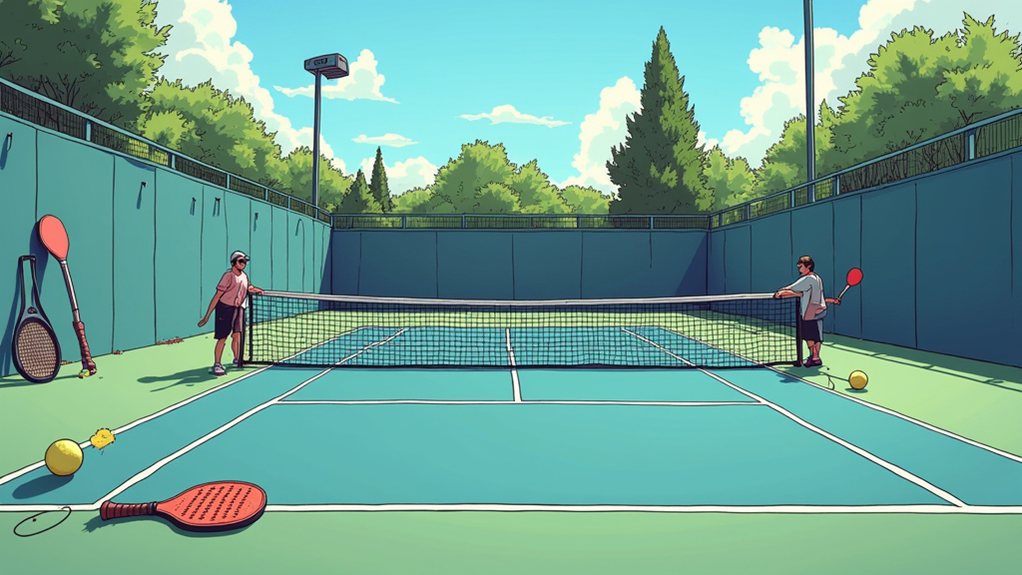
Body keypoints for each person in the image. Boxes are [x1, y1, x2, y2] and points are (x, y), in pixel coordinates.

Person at [198, 250, 263, 376]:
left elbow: (249, 287)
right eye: (241, 261)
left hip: (238, 309)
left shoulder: (244, 276)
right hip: (225, 309)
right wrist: (207, 316)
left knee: (237, 335)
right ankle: (217, 363)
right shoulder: (228, 276)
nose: (243, 263)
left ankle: (237, 358)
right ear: (234, 263)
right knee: (222, 338)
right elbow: (217, 296)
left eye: (245, 261)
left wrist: (257, 290)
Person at [773, 255, 841, 368]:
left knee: (809, 336)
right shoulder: (817, 278)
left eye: (800, 266)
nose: (799, 269)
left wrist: (779, 293)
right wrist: (831, 301)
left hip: (810, 313)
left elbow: (789, 289)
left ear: (808, 266)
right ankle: (816, 358)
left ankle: (814, 357)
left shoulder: (807, 279)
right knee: (817, 336)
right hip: (820, 311)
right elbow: (808, 294)